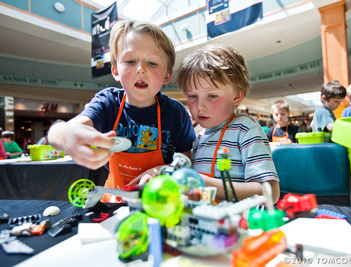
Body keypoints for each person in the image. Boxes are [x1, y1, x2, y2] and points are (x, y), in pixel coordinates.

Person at [48, 20, 196, 202]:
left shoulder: (176, 113)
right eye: (130, 61)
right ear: (116, 71)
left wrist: (159, 171)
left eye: (152, 63)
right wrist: (65, 135)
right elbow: (59, 133)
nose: (141, 70)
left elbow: (186, 163)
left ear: (167, 75)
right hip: (114, 201)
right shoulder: (108, 103)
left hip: (159, 202)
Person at [174, 43, 280, 203]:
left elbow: (269, 192)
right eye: (192, 96)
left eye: (212, 96)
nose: (200, 106)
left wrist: (201, 182)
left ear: (237, 96)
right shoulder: (199, 138)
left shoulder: (246, 129)